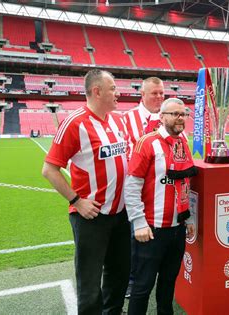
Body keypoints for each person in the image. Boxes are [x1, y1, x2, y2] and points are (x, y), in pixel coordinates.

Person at [42, 69, 131, 314]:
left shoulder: (117, 119)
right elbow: (49, 170)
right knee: (90, 281)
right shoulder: (75, 122)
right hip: (91, 217)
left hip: (121, 214)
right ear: (97, 91)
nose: (117, 92)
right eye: (112, 88)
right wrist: (77, 201)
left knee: (119, 274)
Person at [124, 98, 196, 315]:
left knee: (168, 283)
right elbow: (132, 186)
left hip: (177, 229)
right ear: (162, 117)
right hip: (151, 230)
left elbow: (184, 183)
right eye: (174, 114)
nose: (180, 118)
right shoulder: (147, 143)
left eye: (183, 114)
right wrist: (138, 223)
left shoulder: (183, 142)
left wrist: (188, 219)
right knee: (142, 286)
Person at [123, 77, 165, 298]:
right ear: (143, 95)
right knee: (134, 237)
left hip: (162, 191)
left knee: (158, 238)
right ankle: (131, 280)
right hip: (136, 190)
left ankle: (155, 277)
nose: (159, 97)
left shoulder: (167, 117)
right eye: (154, 93)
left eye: (161, 93)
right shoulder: (126, 119)